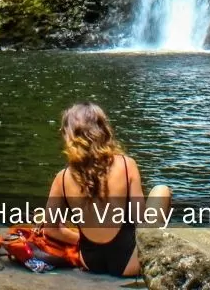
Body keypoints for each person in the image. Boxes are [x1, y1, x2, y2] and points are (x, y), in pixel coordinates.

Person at [41, 101, 172, 277]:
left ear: (68, 135)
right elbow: (141, 222)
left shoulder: (62, 178)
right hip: (129, 265)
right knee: (162, 190)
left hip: (90, 262)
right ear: (103, 130)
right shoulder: (126, 165)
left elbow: (51, 229)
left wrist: (79, 238)